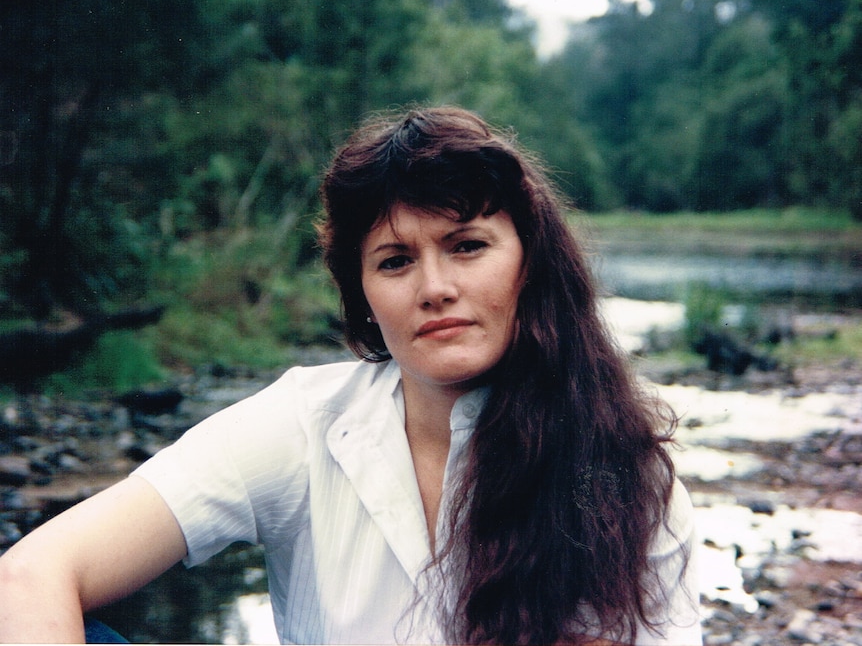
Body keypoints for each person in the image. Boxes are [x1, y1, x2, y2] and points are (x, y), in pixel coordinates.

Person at [0, 106, 701, 645]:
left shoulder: (619, 467)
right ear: (362, 292)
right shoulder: (305, 420)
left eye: (467, 246)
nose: (435, 287)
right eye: (395, 260)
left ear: (531, 262)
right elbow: (33, 570)